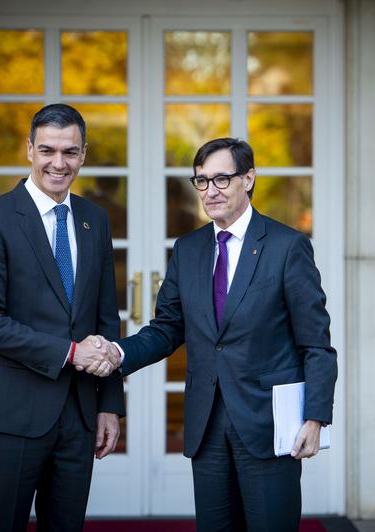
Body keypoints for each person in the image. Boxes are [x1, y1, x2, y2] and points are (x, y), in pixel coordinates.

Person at [113, 138, 337, 531]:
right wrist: (117, 354)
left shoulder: (287, 247)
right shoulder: (188, 250)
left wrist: (315, 417)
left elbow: (315, 342)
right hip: (207, 425)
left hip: (268, 424)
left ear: (248, 178)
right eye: (201, 181)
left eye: (221, 178)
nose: (210, 191)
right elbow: (167, 328)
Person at [0, 103, 124, 532]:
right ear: (28, 149)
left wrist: (110, 404)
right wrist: (70, 353)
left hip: (78, 413)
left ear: (83, 154)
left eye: (70, 152)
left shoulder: (94, 219)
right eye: (47, 150)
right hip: (11, 412)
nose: (59, 162)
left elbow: (106, 316)